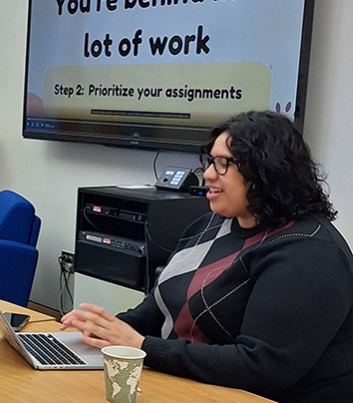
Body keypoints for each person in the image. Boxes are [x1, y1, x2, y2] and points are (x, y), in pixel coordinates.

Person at [60, 111, 353, 403]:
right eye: (211, 162)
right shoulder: (211, 225)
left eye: (224, 163)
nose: (209, 174)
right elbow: (157, 310)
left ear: (267, 170)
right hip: (188, 385)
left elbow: (261, 368)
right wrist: (103, 331)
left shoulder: (311, 252)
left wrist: (142, 346)